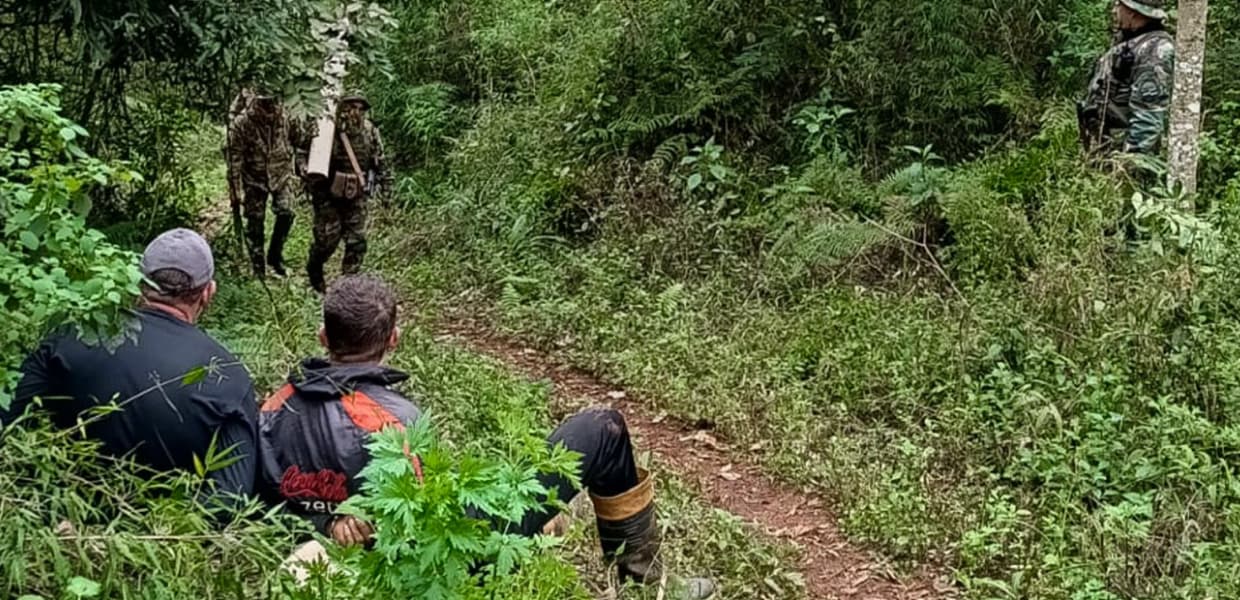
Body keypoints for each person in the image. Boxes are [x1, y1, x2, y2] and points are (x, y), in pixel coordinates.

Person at [258, 275, 715, 598]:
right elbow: (431, 527)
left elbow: (259, 502)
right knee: (603, 428)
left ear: (322, 335)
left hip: (319, 549)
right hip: (423, 564)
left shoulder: (273, 407)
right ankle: (650, 585)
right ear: (393, 339)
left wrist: (325, 523)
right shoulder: (397, 420)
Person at [3, 228, 259, 512]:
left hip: (52, 517)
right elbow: (229, 501)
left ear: (137, 281)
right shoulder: (229, 377)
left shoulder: (71, 337)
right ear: (208, 292)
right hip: (160, 541)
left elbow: (9, 424)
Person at [304, 94, 389, 293]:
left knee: (357, 241)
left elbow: (381, 162)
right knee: (327, 241)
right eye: (351, 107)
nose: (355, 112)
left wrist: (386, 191)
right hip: (328, 195)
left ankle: (347, 285)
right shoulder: (328, 130)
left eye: (360, 108)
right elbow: (307, 155)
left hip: (356, 195)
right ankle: (314, 271)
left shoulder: (370, 132)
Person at [1077, 0, 1175, 154]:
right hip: (1106, 147)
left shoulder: (1155, 51)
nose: (1114, 10)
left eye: (1118, 5)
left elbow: (1148, 118)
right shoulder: (1132, 40)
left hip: (1121, 154)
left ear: (1132, 11)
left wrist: (1130, 164)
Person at [227, 87, 300, 278]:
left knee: (287, 213)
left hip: (281, 174)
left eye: (272, 101)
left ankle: (275, 256)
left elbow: (299, 139)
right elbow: (234, 157)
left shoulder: (286, 116)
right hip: (254, 178)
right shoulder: (243, 122)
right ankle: (258, 267)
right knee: (255, 222)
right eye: (264, 102)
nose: (269, 106)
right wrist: (234, 188)